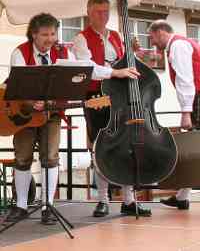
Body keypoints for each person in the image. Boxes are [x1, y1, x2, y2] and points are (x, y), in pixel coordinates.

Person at [5, 13, 140, 225]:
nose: (50, 39)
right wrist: (31, 102)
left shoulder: (63, 51)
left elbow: (87, 69)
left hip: (52, 113)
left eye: (52, 33)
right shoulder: (19, 53)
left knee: (50, 158)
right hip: (24, 115)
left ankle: (47, 206)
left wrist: (116, 73)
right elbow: (18, 84)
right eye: (44, 35)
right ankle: (21, 205)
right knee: (22, 158)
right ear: (33, 34)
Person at [72, 0, 152, 218]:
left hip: (120, 97)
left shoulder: (116, 36)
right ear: (89, 12)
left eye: (107, 11)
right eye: (99, 11)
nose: (104, 15)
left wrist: (131, 54)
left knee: (126, 146)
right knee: (101, 147)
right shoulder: (81, 38)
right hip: (96, 97)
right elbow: (89, 68)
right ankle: (103, 200)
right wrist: (116, 72)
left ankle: (128, 200)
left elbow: (123, 64)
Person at [148, 19, 200, 210]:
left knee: (197, 147)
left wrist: (186, 112)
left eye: (152, 37)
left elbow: (186, 80)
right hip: (196, 97)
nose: (152, 42)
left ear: (161, 32)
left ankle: (181, 196)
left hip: (197, 98)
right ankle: (182, 196)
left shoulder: (177, 46)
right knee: (196, 148)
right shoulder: (179, 44)